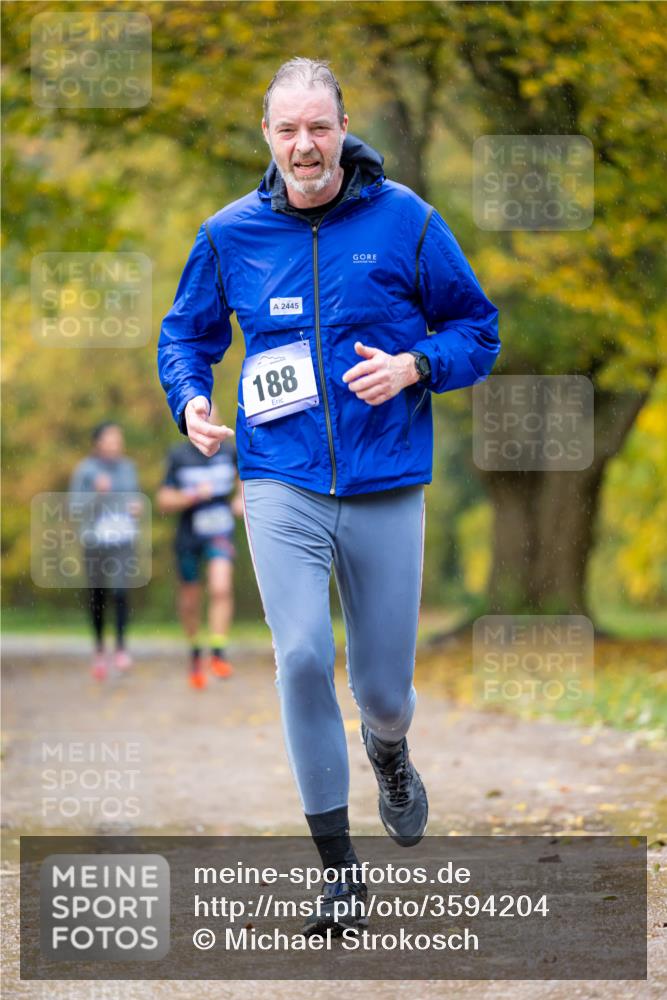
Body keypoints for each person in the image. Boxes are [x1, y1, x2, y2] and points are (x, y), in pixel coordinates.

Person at [158, 58, 500, 935]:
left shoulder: (407, 221)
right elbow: (185, 336)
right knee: (303, 654)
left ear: (344, 129)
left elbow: (477, 329)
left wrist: (416, 364)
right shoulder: (228, 235)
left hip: (386, 480)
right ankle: (339, 872)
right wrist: (190, 400)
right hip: (280, 478)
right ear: (267, 137)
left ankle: (389, 750)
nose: (304, 145)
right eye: (288, 130)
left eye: (319, 127)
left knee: (383, 692)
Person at [157, 402, 242, 689]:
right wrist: (191, 496)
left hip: (220, 530)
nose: (210, 422)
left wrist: (240, 499)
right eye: (204, 417)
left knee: (221, 587)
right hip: (189, 533)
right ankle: (195, 650)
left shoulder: (229, 452)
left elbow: (247, 478)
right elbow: (163, 500)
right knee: (190, 598)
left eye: (213, 416)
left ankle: (218, 652)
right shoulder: (178, 455)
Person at [69, 421, 140, 681]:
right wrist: (96, 494)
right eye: (111, 439)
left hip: (122, 538)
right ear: (98, 442)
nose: (116, 444)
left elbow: (135, 499)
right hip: (95, 540)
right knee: (97, 595)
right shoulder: (85, 470)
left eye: (119, 439)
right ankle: (99, 649)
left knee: (121, 592)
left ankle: (121, 648)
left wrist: (136, 508)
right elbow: (75, 507)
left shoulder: (128, 468)